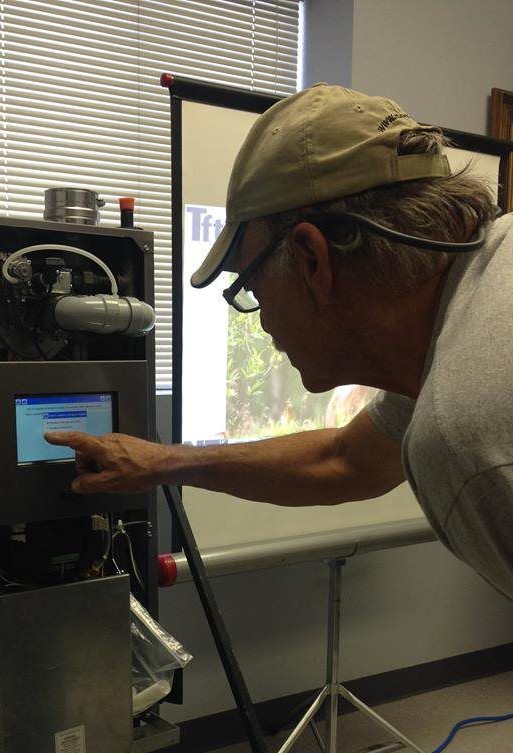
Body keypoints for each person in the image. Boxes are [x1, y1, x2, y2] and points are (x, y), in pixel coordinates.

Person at [46, 83, 513, 599]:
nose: (263, 320)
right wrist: (162, 463)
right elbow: (344, 460)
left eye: (252, 286)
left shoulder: (466, 429)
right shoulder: (480, 287)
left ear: (313, 260)